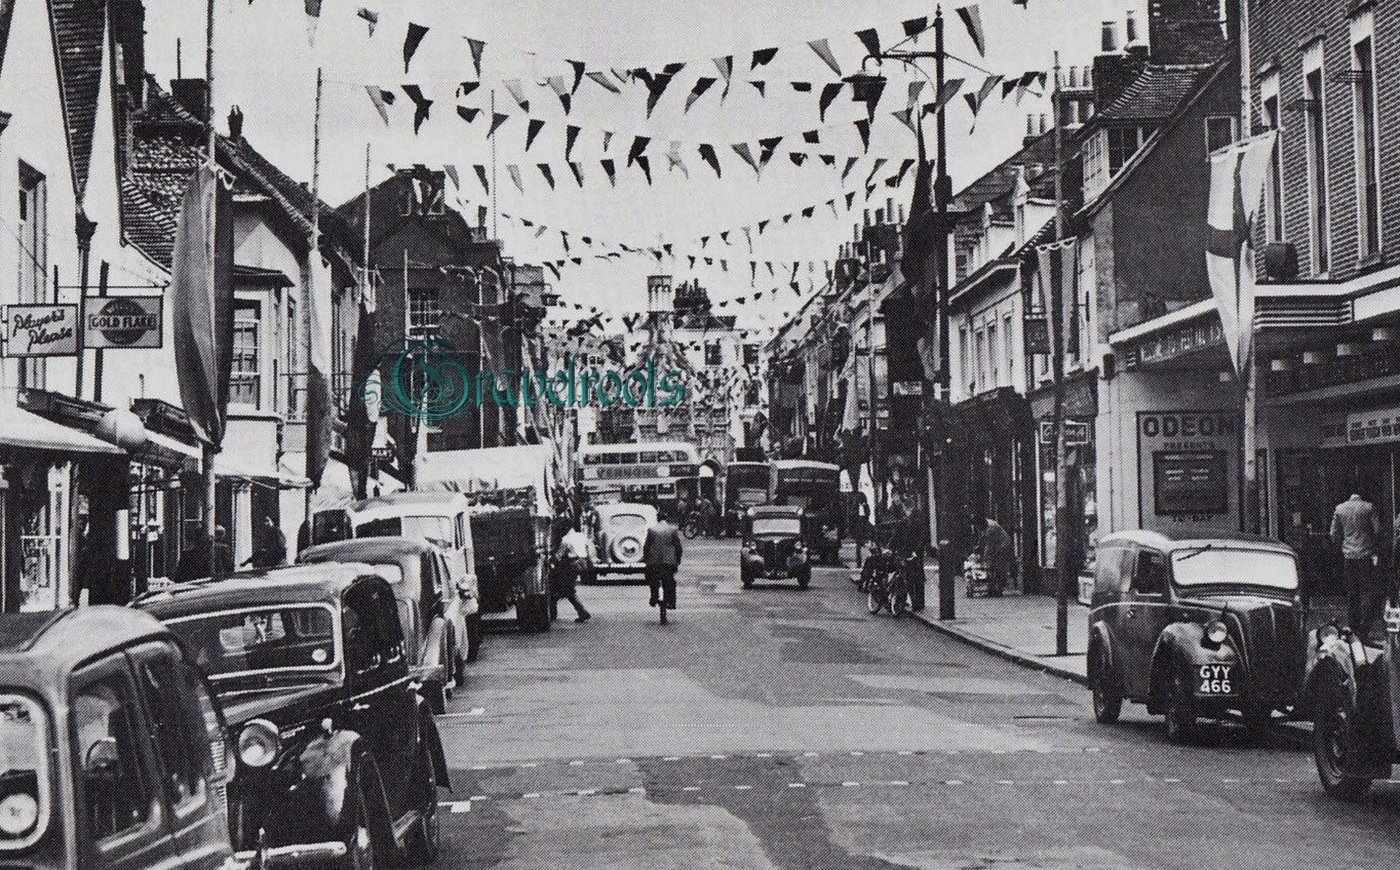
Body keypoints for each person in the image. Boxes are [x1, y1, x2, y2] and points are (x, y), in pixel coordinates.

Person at [1331, 492, 1382, 642]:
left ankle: (1352, 628)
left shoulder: (1340, 509)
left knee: (1352, 593)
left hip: (1349, 556)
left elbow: (1333, 533)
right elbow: (1378, 530)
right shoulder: (1369, 508)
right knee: (1366, 592)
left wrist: (1341, 545)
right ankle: (1364, 630)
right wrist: (1373, 546)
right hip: (1365, 556)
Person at [643, 508, 684, 624]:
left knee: (652, 579)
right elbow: (678, 547)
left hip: (654, 562)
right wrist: (677, 560)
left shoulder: (652, 530)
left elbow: (647, 547)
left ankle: (654, 597)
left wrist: (646, 560)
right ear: (666, 519)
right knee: (670, 582)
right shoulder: (672, 530)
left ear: (657, 519)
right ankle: (671, 602)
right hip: (669, 562)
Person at [551, 522, 593, 623]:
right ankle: (581, 612)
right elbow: (588, 548)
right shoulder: (581, 536)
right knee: (566, 589)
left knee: (565, 590)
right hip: (583, 562)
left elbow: (558, 555)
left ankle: (582, 612)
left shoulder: (566, 539)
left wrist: (551, 561)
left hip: (571, 564)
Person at [978, 515, 1014, 597]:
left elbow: (989, 546)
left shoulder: (991, 529)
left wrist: (985, 558)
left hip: (1003, 546)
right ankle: (992, 589)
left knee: (998, 567)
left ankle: (998, 590)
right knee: (993, 567)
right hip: (998, 545)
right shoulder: (987, 522)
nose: (978, 529)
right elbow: (983, 538)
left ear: (982, 524)